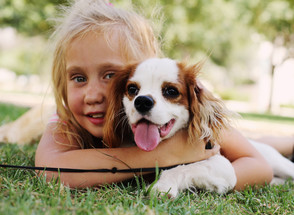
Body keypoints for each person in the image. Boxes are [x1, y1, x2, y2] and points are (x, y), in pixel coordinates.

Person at [33, 0, 286, 191]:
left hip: (225, 143)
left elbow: (257, 164)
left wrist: (192, 177)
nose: (91, 95)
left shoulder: (189, 105)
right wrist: (162, 156)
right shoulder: (67, 117)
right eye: (78, 78)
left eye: (110, 75)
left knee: (254, 144)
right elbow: (50, 170)